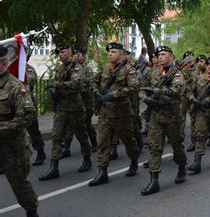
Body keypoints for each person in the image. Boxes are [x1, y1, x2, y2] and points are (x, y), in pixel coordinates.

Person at [0, 46, 41, 217]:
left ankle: (32, 216)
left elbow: (26, 118)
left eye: (1, 62)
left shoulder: (16, 87)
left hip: (12, 146)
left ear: (5, 62)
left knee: (19, 183)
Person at [88, 42, 140, 187]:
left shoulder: (128, 70)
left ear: (122, 54)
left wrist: (114, 95)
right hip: (105, 113)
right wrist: (97, 93)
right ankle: (102, 172)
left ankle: (134, 160)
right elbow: (92, 81)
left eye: (114, 52)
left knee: (128, 140)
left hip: (121, 113)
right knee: (102, 142)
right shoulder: (104, 69)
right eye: (109, 52)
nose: (110, 54)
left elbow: (134, 87)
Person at [138, 46, 187, 195]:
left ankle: (181, 167)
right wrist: (146, 99)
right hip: (156, 116)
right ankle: (154, 180)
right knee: (154, 147)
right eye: (159, 54)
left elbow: (176, 91)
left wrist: (156, 91)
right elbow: (141, 89)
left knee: (177, 146)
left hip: (173, 117)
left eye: (164, 54)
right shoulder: (152, 72)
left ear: (171, 57)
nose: (160, 57)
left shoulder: (177, 74)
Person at [39, 45, 92, 181]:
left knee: (81, 135)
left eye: (63, 52)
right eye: (59, 53)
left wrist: (57, 86)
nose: (60, 55)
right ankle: (54, 167)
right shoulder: (60, 68)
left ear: (69, 52)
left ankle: (87, 159)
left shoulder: (76, 67)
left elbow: (76, 84)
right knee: (56, 136)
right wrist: (54, 91)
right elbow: (57, 82)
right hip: (62, 107)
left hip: (75, 108)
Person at [62, 48, 98, 158]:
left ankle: (94, 143)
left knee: (86, 124)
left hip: (87, 102)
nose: (77, 56)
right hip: (75, 102)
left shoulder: (87, 69)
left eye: (79, 54)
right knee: (70, 125)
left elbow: (90, 83)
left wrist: (79, 86)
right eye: (76, 54)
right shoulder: (72, 68)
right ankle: (66, 148)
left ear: (84, 56)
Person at [25, 60, 46, 166]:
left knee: (34, 131)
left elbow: (31, 82)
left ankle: (40, 152)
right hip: (12, 106)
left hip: (28, 105)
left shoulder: (28, 68)